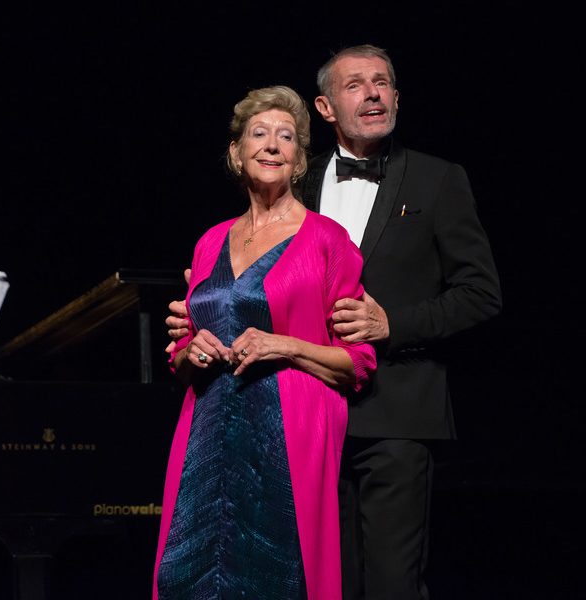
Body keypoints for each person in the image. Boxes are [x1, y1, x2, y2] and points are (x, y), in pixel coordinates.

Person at [165, 45, 502, 600]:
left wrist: (392, 324)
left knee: (391, 583)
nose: (372, 94)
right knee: (318, 579)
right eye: (355, 85)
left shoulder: (439, 179)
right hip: (298, 416)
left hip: (393, 411)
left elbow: (482, 294)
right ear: (324, 108)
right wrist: (207, 304)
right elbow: (265, 277)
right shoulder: (297, 174)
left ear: (397, 96)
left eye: (382, 82)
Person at [153, 85, 376, 600]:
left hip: (288, 433)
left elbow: (358, 362)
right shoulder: (210, 241)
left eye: (287, 137)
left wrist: (286, 346)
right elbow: (181, 358)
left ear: (298, 159)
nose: (273, 145)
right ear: (237, 152)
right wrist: (191, 351)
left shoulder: (327, 240)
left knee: (277, 575)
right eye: (259, 134)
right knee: (187, 573)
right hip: (207, 433)